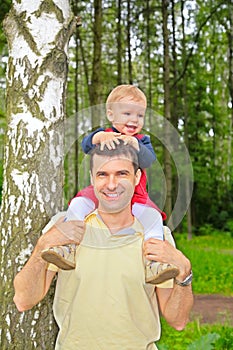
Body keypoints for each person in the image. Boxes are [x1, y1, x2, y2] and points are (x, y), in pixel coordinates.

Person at [13, 141, 194, 350]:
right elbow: (23, 300)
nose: (111, 184)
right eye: (102, 174)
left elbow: (178, 321)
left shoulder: (156, 237)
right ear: (92, 179)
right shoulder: (65, 227)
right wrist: (42, 246)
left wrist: (184, 272)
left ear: (136, 178)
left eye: (121, 174)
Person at [41, 84, 179, 284]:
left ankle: (154, 264)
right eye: (127, 113)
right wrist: (98, 137)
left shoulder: (143, 140)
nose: (134, 120)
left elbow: (148, 160)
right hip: (99, 194)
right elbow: (85, 145)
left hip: (135, 196)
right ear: (111, 115)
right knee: (77, 205)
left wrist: (137, 146)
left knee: (154, 218)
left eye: (140, 116)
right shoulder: (105, 134)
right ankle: (67, 248)